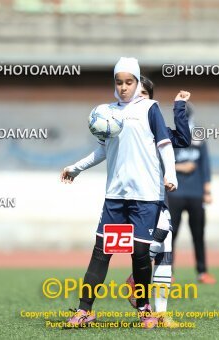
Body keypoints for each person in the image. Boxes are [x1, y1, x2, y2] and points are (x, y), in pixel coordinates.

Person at [60, 57, 178, 328]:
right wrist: (76, 168)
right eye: (119, 82)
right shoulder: (107, 112)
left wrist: (169, 174)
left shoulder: (150, 108)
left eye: (129, 82)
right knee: (101, 253)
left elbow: (164, 145)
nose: (124, 87)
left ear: (137, 83)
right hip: (115, 196)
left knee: (139, 254)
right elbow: (102, 150)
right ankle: (84, 310)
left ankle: (145, 311)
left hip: (146, 196)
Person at [125, 76, 191, 327]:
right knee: (158, 241)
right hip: (133, 198)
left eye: (144, 94)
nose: (139, 98)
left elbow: (183, 140)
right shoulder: (124, 125)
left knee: (165, 247)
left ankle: (160, 314)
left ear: (151, 99)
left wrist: (179, 107)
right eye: (135, 94)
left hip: (156, 196)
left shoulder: (156, 128)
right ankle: (137, 281)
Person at [168, 103, 215, 284]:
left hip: (196, 194)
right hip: (175, 193)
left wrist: (207, 190)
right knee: (170, 235)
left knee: (198, 235)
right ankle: (167, 272)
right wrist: (180, 166)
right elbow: (161, 163)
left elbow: (205, 164)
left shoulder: (198, 136)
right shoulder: (171, 136)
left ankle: (202, 272)